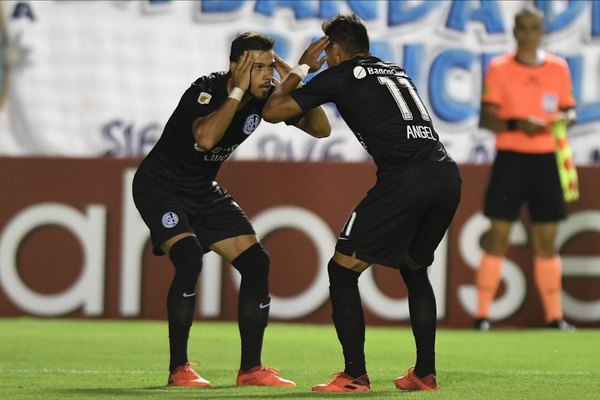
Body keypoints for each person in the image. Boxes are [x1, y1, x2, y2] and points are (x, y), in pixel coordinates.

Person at [263, 14, 461, 393]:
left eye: (329, 50)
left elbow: (273, 110)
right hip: (446, 176)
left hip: (405, 180)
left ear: (334, 49)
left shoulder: (340, 75)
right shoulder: (396, 71)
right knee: (414, 268)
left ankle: (354, 375)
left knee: (342, 270)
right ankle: (425, 373)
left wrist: (304, 64)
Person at [132, 32, 331, 388]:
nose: (267, 75)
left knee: (257, 262)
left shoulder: (267, 95)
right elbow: (206, 138)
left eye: (270, 66)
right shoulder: (206, 90)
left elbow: (321, 129)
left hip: (202, 192)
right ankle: (179, 369)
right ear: (235, 67)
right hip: (159, 188)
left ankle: (251, 370)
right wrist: (238, 92)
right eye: (258, 68)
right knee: (190, 257)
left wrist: (296, 84)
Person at [473, 6, 576, 332]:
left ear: (541, 32)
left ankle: (554, 317)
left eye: (534, 28)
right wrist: (518, 122)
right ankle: (482, 316)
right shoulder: (499, 67)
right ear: (515, 32)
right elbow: (486, 117)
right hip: (511, 159)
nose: (529, 33)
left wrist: (562, 119)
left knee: (547, 238)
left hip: (546, 159)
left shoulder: (558, 68)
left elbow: (569, 111)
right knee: (498, 235)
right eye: (523, 28)